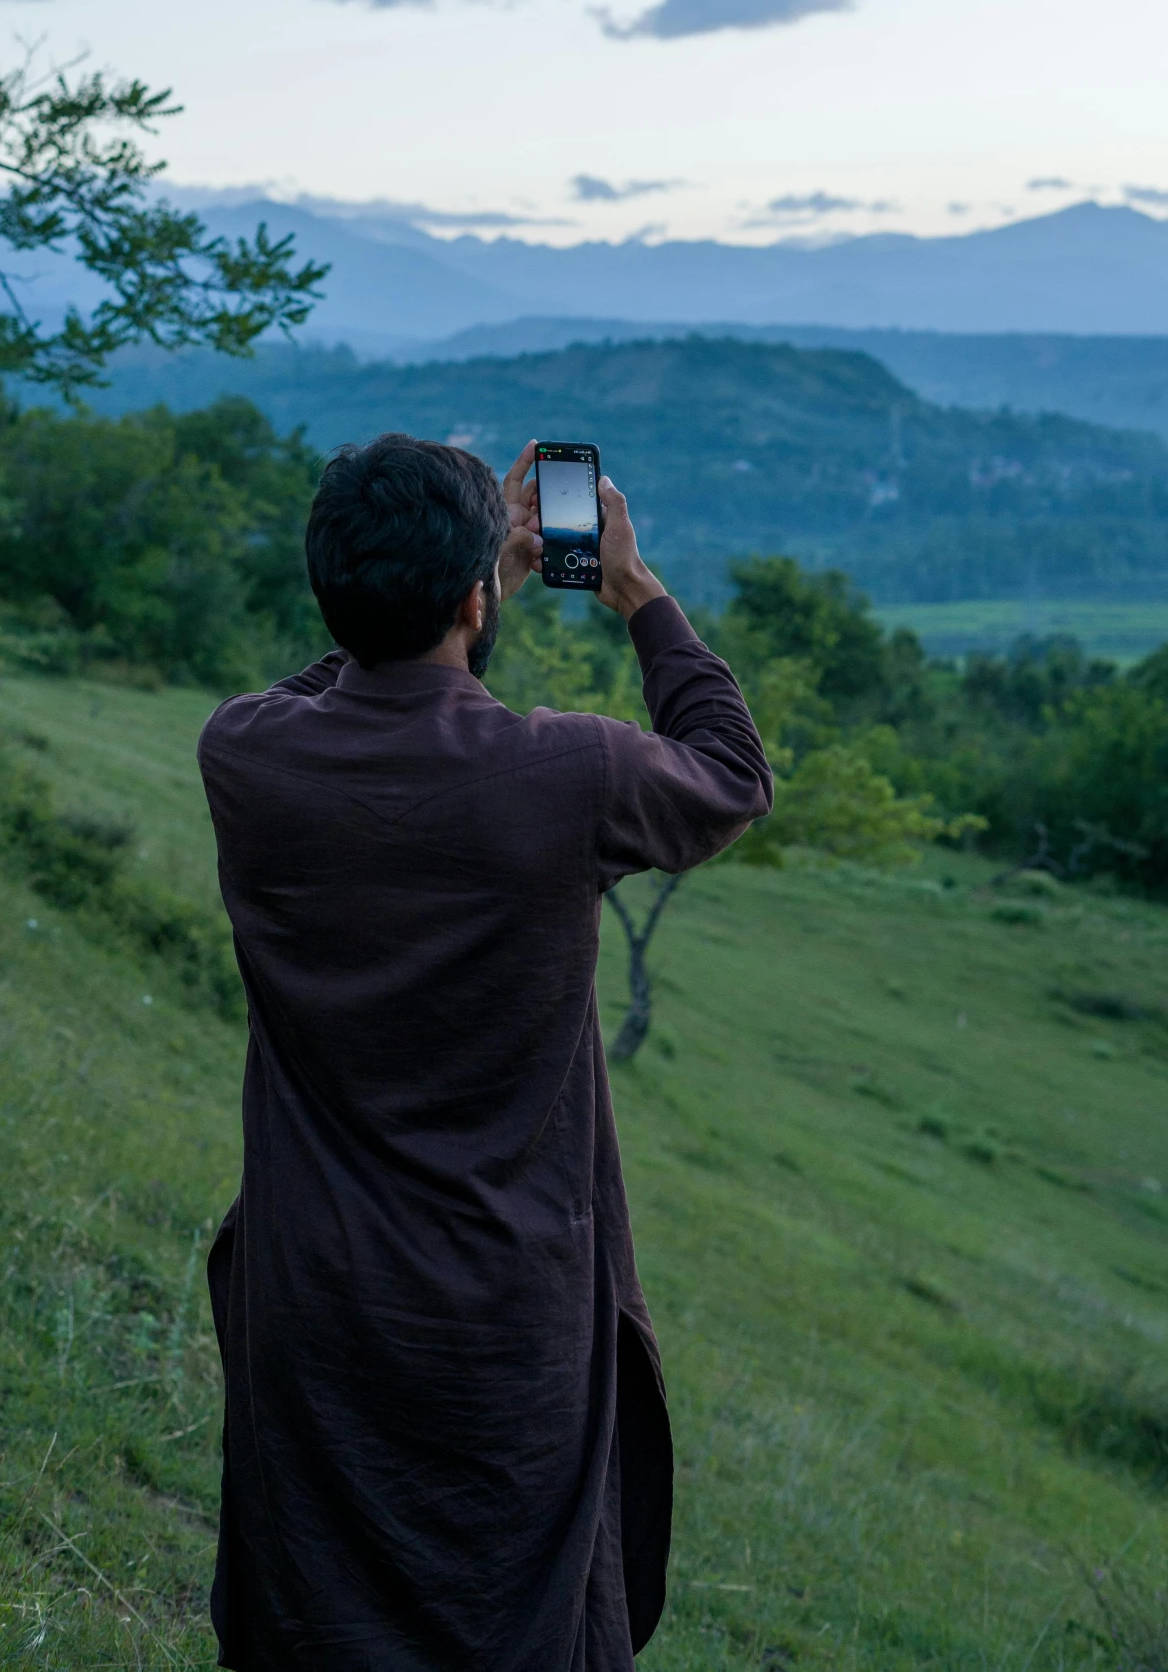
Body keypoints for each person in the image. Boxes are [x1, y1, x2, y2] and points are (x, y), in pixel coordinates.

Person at [197, 432, 772, 1672]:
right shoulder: (565, 771)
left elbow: (329, 692)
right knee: (507, 1613)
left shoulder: (245, 753)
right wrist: (634, 588)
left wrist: (433, 602)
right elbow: (732, 773)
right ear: (477, 599)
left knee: (316, 1602)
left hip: (312, 1293)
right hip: (501, 1321)